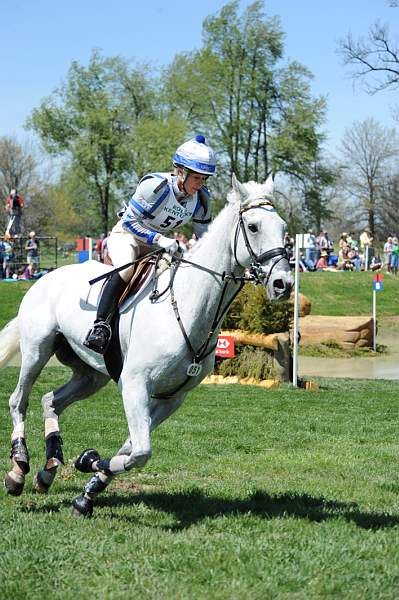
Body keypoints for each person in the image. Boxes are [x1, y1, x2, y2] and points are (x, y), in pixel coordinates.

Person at [84, 134, 216, 354]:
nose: (200, 184)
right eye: (197, 178)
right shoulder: (156, 186)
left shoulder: (202, 199)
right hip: (127, 235)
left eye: (204, 179)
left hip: (158, 244)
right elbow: (129, 221)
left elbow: (205, 237)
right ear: (181, 172)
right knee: (126, 268)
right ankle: (100, 326)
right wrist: (159, 239)